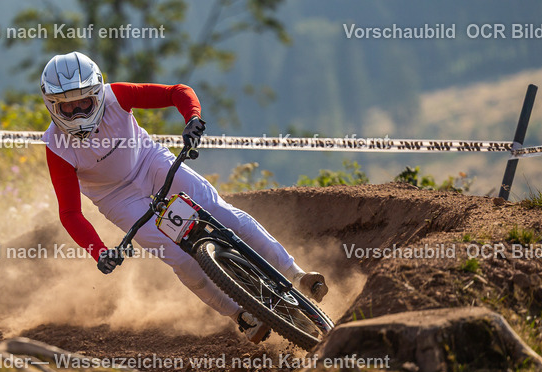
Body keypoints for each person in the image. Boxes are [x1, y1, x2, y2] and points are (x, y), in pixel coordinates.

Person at [40, 51, 328, 342]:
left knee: (221, 212)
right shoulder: (56, 145)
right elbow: (70, 213)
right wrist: (99, 251)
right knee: (179, 257)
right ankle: (239, 315)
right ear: (53, 106)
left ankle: (296, 274)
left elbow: (178, 92)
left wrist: (192, 118)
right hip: (116, 198)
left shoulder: (116, 96)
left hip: (149, 162)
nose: (77, 113)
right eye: (68, 107)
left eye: (84, 102)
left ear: (98, 94)